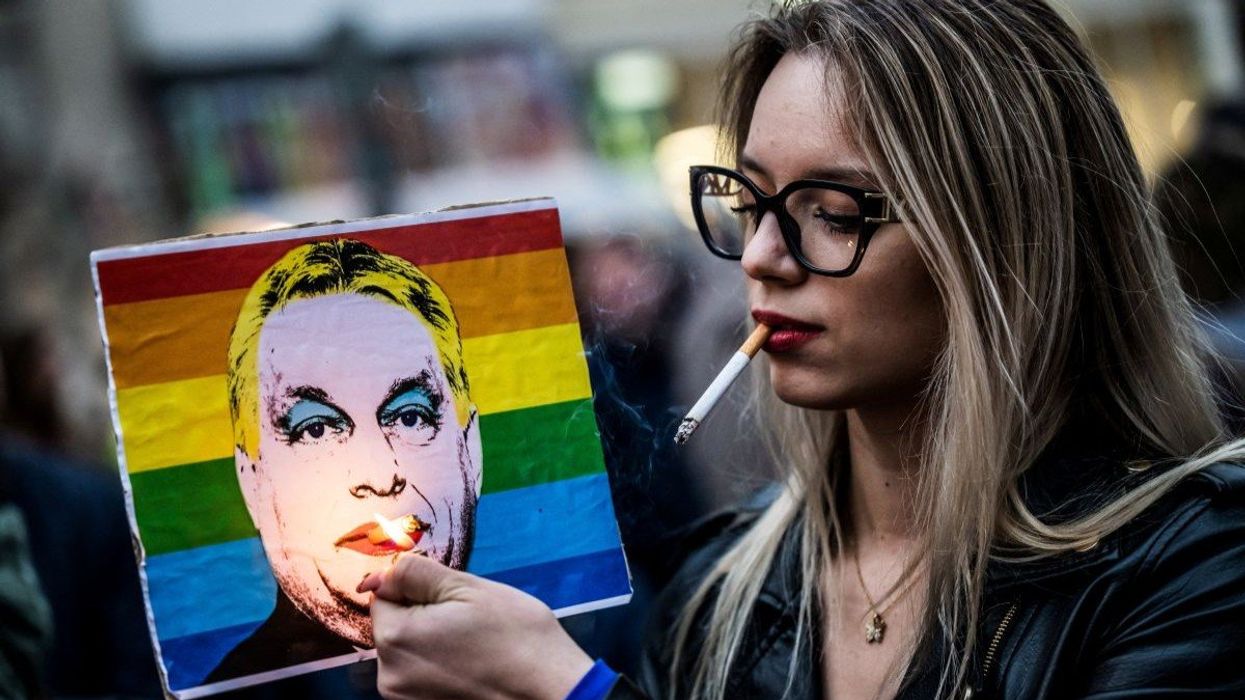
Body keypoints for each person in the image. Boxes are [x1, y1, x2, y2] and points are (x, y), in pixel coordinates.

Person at [361, 1, 1245, 698]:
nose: (760, 256)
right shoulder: (722, 593)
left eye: (834, 213)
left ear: (1006, 239)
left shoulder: (1193, 566)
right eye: (750, 201)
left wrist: (574, 692)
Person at [210, 238, 482, 680]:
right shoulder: (237, 690)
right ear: (252, 482)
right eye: (316, 429)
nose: (381, 476)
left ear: (471, 450)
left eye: (410, 417)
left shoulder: (556, 645)